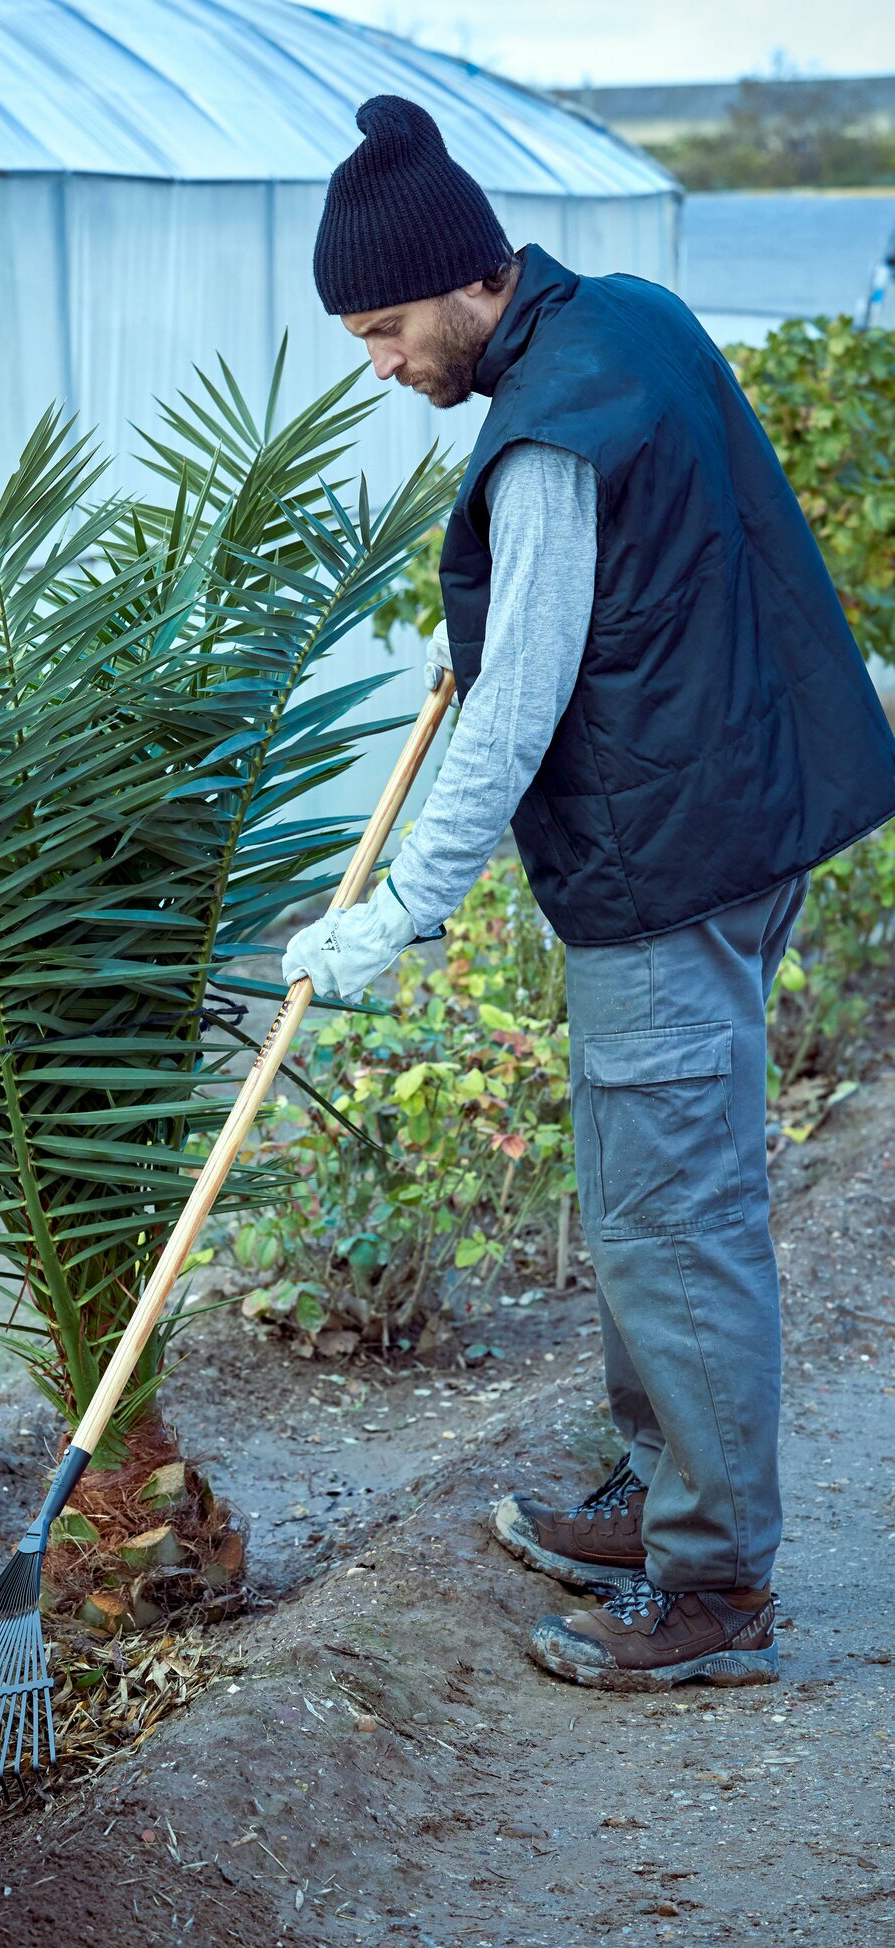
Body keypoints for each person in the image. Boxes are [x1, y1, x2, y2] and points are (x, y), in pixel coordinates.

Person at [283, 95, 895, 1691]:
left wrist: (399, 910)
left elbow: (521, 708)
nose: (381, 362)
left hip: (664, 859)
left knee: (668, 1220)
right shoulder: (630, 322)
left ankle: (712, 1591)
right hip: (744, 814)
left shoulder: (547, 428)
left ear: (468, 285)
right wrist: (499, 631)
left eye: (384, 326)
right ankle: (660, 1495)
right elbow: (673, 561)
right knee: (650, 1195)